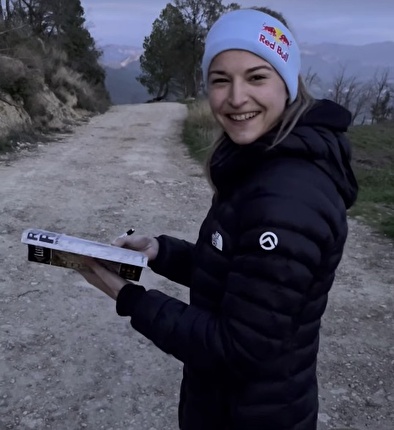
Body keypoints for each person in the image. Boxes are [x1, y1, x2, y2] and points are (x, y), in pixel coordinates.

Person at [78, 7, 358, 430]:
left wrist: (126, 296)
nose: (236, 97)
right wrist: (159, 251)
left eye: (257, 77)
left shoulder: (289, 197)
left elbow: (238, 348)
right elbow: (238, 276)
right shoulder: (259, 161)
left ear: (288, 81)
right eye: (220, 80)